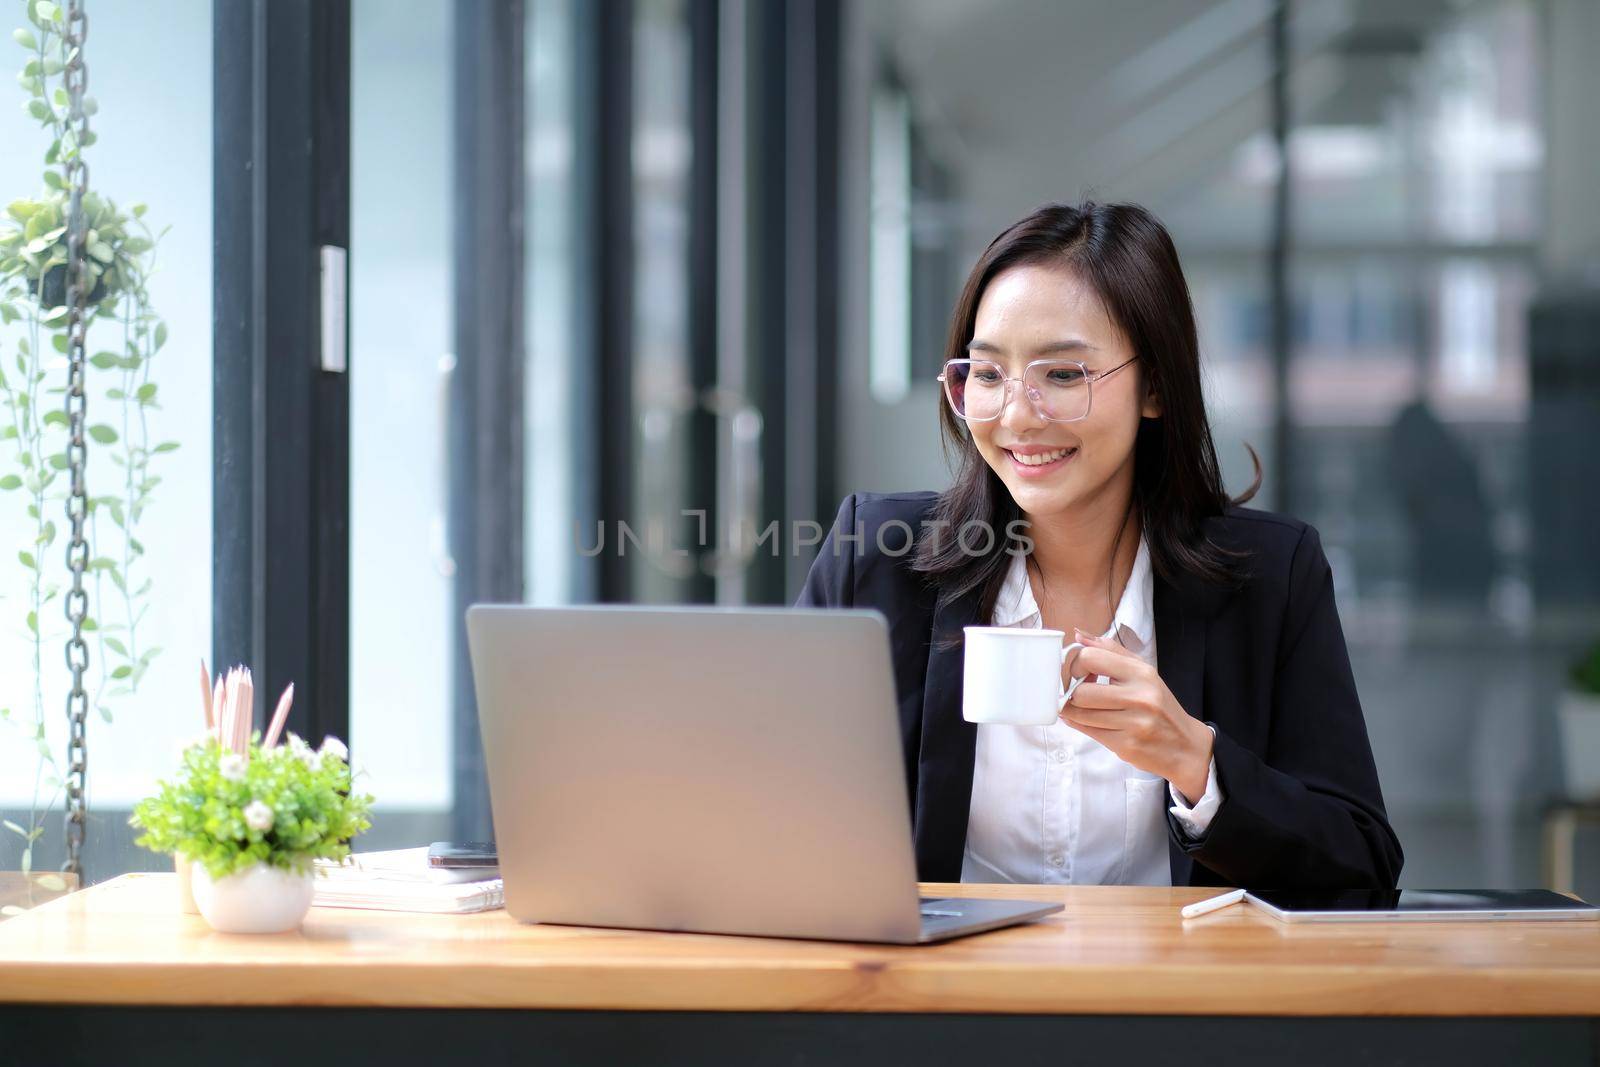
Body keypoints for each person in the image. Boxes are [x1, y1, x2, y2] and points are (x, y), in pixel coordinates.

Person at [797, 202, 1401, 889]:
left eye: (1063, 375)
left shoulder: (1270, 578)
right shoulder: (874, 561)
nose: (1018, 416)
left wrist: (1199, 765)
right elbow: (769, 810)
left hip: (1170, 993)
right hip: (943, 993)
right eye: (989, 375)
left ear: (1156, 387)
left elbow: (1361, 868)